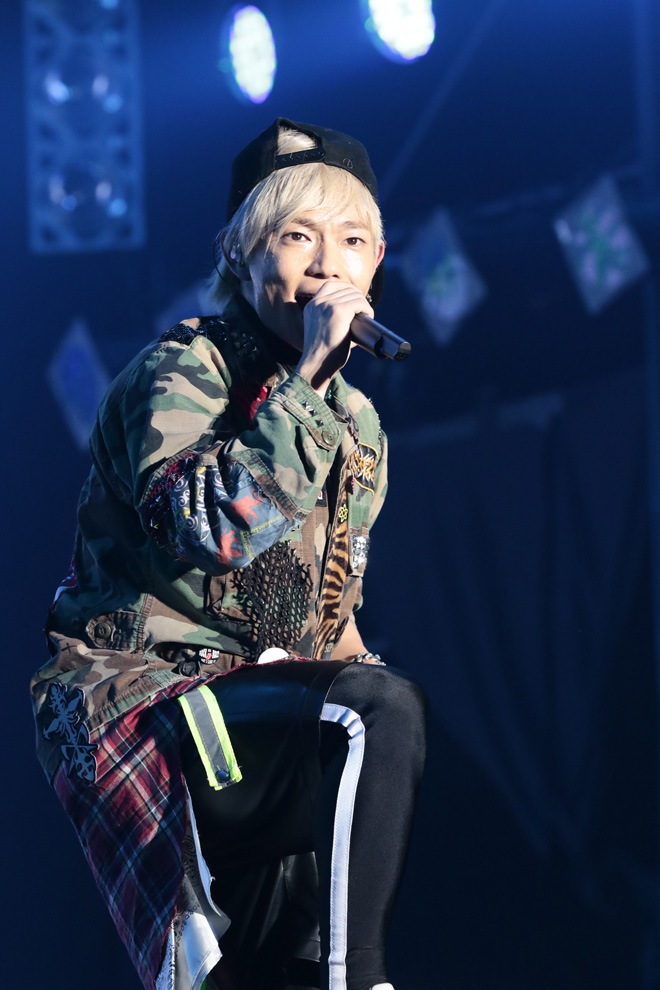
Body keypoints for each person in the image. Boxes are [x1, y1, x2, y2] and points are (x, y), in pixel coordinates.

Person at [31, 118, 427, 990]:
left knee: (378, 720)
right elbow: (212, 532)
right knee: (376, 713)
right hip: (148, 702)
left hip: (261, 708)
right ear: (239, 254)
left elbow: (330, 617)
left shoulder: (360, 428)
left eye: (351, 240)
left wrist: (359, 676)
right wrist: (308, 381)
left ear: (376, 265)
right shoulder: (181, 371)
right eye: (297, 236)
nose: (327, 264)